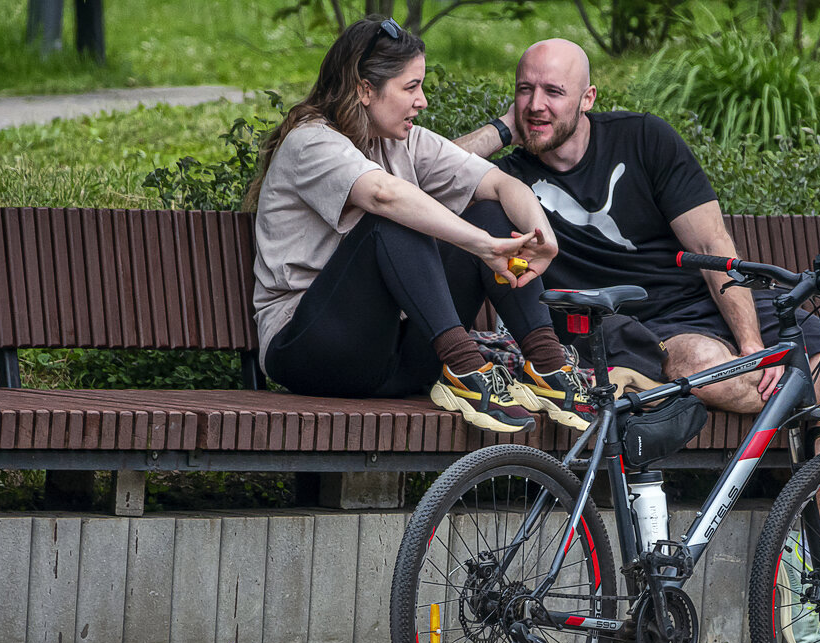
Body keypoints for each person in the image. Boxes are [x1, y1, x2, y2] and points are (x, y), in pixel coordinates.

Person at [456, 38, 820, 643]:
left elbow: (713, 248)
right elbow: (423, 175)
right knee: (712, 367)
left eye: (553, 92)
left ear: (588, 98)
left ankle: (814, 565)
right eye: (525, 90)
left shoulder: (644, 139)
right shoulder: (507, 172)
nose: (536, 104)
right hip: (631, 324)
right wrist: (502, 129)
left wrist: (752, 342)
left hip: (712, 302)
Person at [247, 19, 593, 434]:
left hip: (399, 356)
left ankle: (548, 366)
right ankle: (467, 368)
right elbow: (383, 196)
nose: (423, 101)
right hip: (311, 352)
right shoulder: (310, 143)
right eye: (411, 87)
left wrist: (543, 236)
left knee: (489, 209)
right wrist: (482, 245)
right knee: (391, 220)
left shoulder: (403, 142)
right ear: (365, 89)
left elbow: (502, 184)